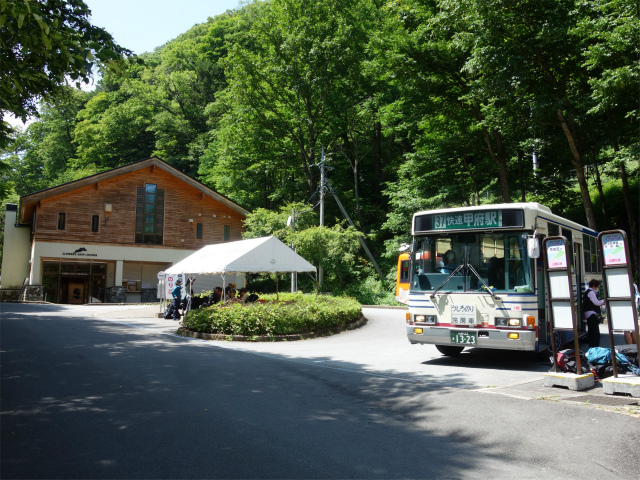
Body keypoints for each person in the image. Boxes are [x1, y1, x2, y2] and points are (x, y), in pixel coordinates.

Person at [583, 279, 605, 349]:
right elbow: (596, 303)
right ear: (593, 286)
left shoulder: (587, 292)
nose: (597, 288)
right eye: (597, 287)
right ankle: (595, 347)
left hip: (588, 314)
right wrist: (604, 301)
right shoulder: (591, 292)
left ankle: (592, 347)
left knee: (591, 332)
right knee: (595, 333)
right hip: (591, 314)